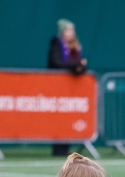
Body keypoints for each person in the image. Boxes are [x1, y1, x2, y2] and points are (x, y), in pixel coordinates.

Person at [47, 19, 88, 157]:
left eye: (73, 30)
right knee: (58, 117)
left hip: (71, 89)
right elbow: (56, 62)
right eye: (69, 30)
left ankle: (65, 149)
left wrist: (81, 66)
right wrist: (77, 64)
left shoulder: (75, 46)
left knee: (68, 117)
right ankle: (58, 149)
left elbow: (79, 66)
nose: (72, 33)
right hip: (57, 87)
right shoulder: (56, 42)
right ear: (63, 31)